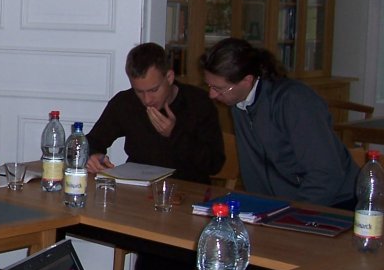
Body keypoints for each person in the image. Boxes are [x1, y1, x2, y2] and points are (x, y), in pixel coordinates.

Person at [201, 37, 358, 208]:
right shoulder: (238, 103)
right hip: (282, 205)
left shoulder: (294, 100)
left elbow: (326, 173)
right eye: (209, 86)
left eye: (218, 88)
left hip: (334, 204)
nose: (212, 95)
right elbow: (253, 170)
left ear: (247, 80)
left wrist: (294, 212)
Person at [85, 42, 225, 183]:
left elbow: (214, 164)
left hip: (188, 188)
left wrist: (175, 133)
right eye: (139, 91)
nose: (147, 99)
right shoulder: (126, 102)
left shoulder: (198, 103)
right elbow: (92, 141)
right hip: (138, 187)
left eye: (153, 90)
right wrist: (92, 155)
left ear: (169, 77)